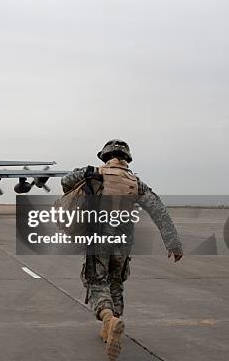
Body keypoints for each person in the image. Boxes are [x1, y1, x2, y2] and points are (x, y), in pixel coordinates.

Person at [61, 139, 183, 361]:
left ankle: (109, 319)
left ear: (105, 156)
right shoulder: (136, 182)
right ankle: (111, 328)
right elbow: (158, 210)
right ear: (127, 158)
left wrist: (87, 174)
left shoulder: (91, 173)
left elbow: (65, 182)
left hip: (98, 239)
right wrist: (173, 242)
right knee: (116, 282)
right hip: (124, 242)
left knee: (97, 283)